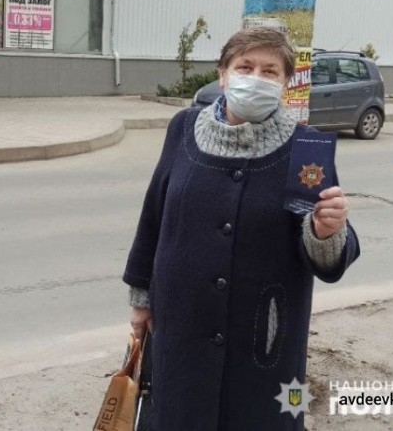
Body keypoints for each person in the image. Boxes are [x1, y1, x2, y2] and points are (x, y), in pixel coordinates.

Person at [123, 28, 361, 430]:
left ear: (286, 83)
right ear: (223, 74)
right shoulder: (182, 130)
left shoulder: (307, 149)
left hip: (264, 339)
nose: (256, 77)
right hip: (181, 326)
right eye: (245, 66)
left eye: (270, 71)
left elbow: (329, 254)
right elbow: (154, 217)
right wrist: (141, 299)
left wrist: (326, 231)